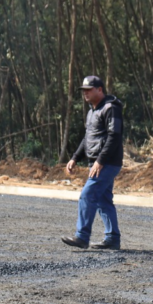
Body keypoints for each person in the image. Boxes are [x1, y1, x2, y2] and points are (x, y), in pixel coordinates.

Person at [62, 75, 124, 250]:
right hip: (97, 162)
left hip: (107, 162)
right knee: (104, 200)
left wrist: (100, 160)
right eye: (84, 91)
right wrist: (75, 157)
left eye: (89, 90)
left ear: (100, 89)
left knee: (88, 195)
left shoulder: (111, 108)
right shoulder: (92, 111)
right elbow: (88, 137)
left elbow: (114, 136)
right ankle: (112, 238)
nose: (85, 93)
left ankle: (82, 237)